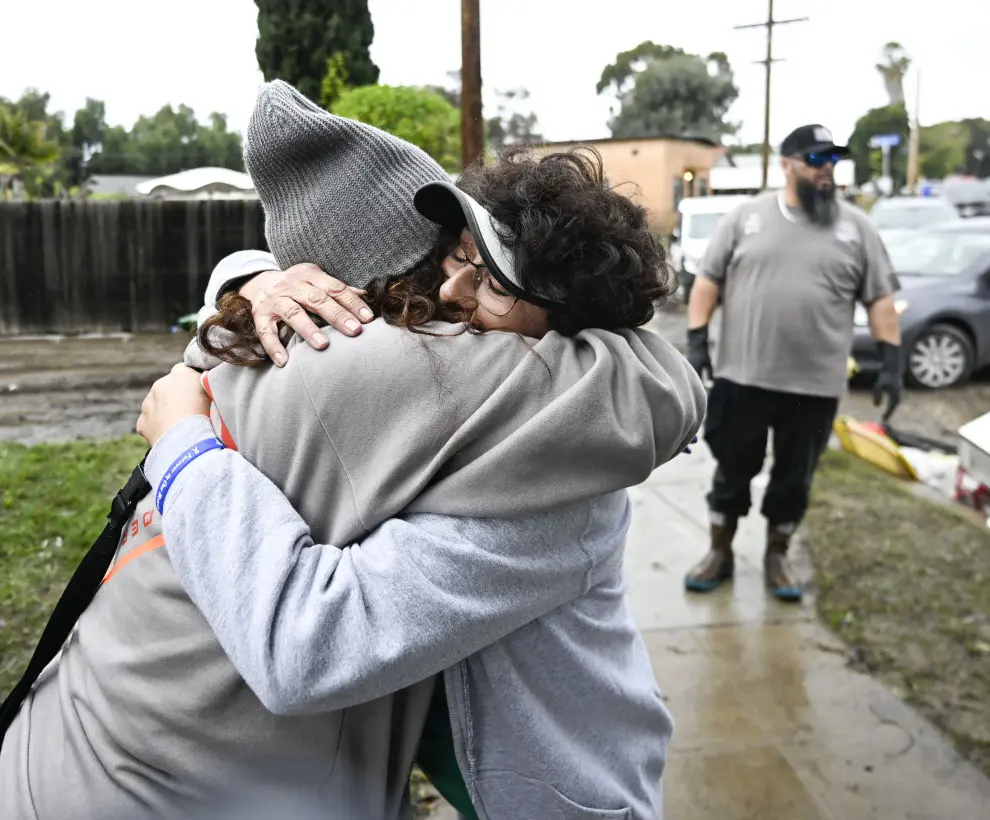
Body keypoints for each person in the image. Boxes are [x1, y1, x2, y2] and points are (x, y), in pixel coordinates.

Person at [0, 81, 703, 820]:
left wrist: (183, 449)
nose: (451, 286)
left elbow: (309, 646)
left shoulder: (557, 474)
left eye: (494, 282)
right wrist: (253, 279)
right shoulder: (451, 397)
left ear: (570, 339)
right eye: (460, 251)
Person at [682, 124, 903, 602]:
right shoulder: (745, 218)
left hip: (815, 385)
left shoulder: (855, 227)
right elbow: (707, 283)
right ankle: (719, 552)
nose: (827, 170)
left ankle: (777, 556)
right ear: (787, 164)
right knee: (732, 470)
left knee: (794, 478)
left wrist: (892, 361)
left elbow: (881, 298)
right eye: (816, 160)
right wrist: (697, 342)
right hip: (744, 376)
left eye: (832, 161)